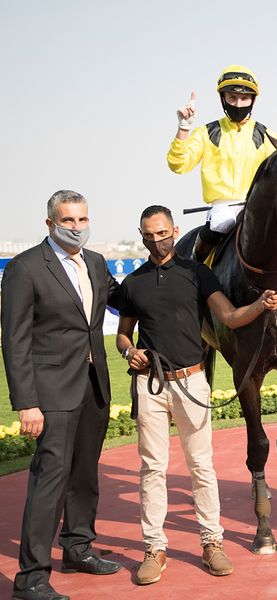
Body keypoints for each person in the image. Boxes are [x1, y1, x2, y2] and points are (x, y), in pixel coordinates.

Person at [115, 205, 277, 585]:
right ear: (141, 235)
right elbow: (124, 333)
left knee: (201, 467)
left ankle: (211, 542)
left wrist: (260, 304)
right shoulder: (134, 282)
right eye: (149, 235)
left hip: (191, 382)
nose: (157, 241)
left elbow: (230, 317)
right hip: (150, 384)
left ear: (175, 230)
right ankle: (154, 548)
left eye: (162, 233)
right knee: (152, 469)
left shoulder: (197, 273)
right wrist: (128, 351)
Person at [2, 190, 122, 600]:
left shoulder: (95, 262)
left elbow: (122, 299)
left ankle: (78, 548)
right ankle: (31, 578)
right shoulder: (26, 268)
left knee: (86, 475)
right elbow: (14, 341)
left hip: (93, 386)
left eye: (83, 219)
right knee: (49, 482)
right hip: (50, 393)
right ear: (50, 223)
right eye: (68, 221)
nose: (77, 228)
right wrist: (26, 402)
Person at [167, 64, 277, 263]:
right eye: (232, 98)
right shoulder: (206, 133)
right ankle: (196, 271)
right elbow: (179, 165)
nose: (238, 104)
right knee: (221, 223)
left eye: (244, 98)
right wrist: (184, 128)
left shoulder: (268, 136)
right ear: (223, 99)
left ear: (253, 100)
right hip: (223, 208)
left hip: (259, 207)